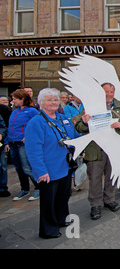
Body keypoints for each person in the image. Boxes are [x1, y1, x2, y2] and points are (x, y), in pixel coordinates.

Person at [24, 88, 81, 239]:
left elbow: (76, 137)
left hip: (65, 167)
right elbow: (33, 150)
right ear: (40, 103)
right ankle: (48, 229)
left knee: (63, 197)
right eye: (49, 100)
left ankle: (62, 219)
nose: (53, 102)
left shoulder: (63, 119)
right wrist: (41, 171)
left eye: (55, 99)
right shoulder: (35, 123)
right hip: (48, 170)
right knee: (48, 202)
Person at [75, 83, 120, 220]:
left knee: (111, 175)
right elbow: (78, 127)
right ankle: (95, 204)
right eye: (106, 91)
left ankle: (109, 199)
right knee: (95, 177)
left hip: (113, 148)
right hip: (96, 149)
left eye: (111, 91)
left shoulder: (119, 105)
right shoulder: (91, 106)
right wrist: (84, 122)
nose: (109, 94)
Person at [5, 89, 40, 201]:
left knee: (27, 167)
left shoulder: (32, 111)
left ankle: (39, 187)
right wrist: (6, 142)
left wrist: (28, 136)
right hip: (12, 143)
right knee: (18, 168)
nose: (13, 100)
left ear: (22, 99)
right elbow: (10, 128)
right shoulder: (14, 112)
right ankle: (24, 189)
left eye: (15, 98)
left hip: (23, 144)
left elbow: (38, 125)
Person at [0, 103, 12, 198]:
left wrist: (1, 134)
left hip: (0, 144)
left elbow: (3, 126)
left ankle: (3, 188)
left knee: (3, 167)